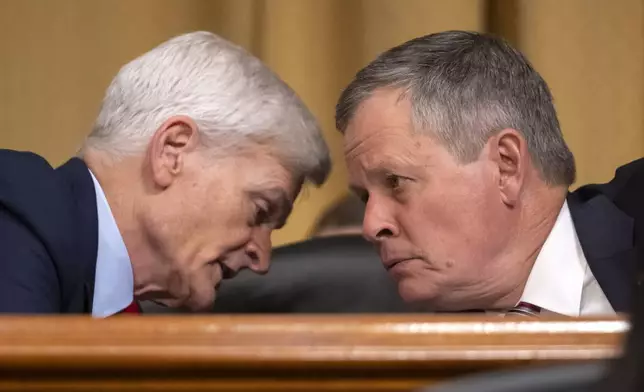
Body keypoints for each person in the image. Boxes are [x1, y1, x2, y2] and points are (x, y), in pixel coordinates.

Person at [0, 31, 330, 316]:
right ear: (172, 150)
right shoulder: (16, 217)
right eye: (260, 211)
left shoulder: (108, 306)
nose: (262, 259)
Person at [336, 30, 643, 316]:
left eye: (395, 182)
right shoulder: (366, 322)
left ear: (505, 166)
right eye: (365, 197)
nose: (371, 225)